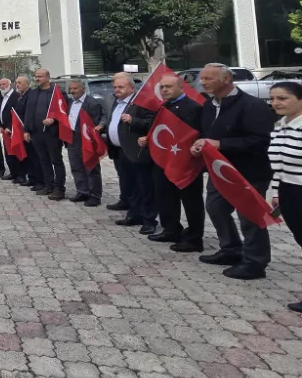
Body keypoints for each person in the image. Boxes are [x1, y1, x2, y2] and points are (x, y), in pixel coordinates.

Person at [191, 63, 275, 280]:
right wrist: (200, 144)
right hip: (220, 171)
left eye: (209, 78)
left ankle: (255, 263)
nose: (203, 82)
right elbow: (205, 133)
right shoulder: (209, 105)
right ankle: (230, 249)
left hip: (249, 172)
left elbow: (260, 141)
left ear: (226, 79)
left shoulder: (251, 106)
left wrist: (221, 144)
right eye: (203, 78)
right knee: (215, 207)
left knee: (250, 217)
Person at [144, 75, 205, 251]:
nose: (165, 90)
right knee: (165, 196)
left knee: (191, 200)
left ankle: (194, 237)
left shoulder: (192, 108)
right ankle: (171, 229)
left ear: (181, 87)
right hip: (163, 160)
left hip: (185, 162)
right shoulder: (162, 107)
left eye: (169, 87)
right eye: (162, 87)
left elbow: (197, 133)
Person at [102, 73, 157, 233]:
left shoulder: (142, 102)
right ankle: (134, 214)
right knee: (129, 186)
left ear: (132, 88)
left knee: (144, 187)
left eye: (120, 87)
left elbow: (152, 123)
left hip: (137, 152)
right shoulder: (116, 102)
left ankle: (149, 220)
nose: (116, 90)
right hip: (119, 151)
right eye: (115, 87)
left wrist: (134, 121)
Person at [268, 82, 302, 311]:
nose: (276, 103)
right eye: (273, 99)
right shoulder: (281, 125)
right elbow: (278, 162)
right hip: (288, 190)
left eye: (283, 98)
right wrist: (276, 191)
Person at [23, 69, 67, 200]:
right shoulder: (33, 93)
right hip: (36, 133)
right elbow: (28, 112)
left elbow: (64, 109)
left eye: (40, 76)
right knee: (43, 160)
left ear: (48, 77)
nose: (37, 79)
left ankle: (59, 188)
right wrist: (26, 130)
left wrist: (54, 119)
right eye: (36, 76)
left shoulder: (57, 92)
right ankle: (48, 185)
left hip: (52, 133)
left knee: (56, 160)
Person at [65, 79, 105, 207]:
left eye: (75, 88)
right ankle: (82, 191)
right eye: (71, 89)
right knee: (76, 167)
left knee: (91, 168)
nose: (72, 91)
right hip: (72, 139)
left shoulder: (92, 103)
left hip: (87, 140)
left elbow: (96, 123)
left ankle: (95, 195)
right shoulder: (70, 102)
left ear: (83, 89)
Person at [0, 78, 26, 184]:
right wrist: (0, 125)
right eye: (0, 84)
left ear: (10, 85)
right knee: (8, 153)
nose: (2, 86)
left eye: (4, 84)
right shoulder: (3, 96)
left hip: (13, 130)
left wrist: (9, 126)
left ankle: (20, 175)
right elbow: (1, 112)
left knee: (16, 152)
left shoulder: (15, 96)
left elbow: (16, 114)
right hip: (4, 131)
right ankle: (13, 173)